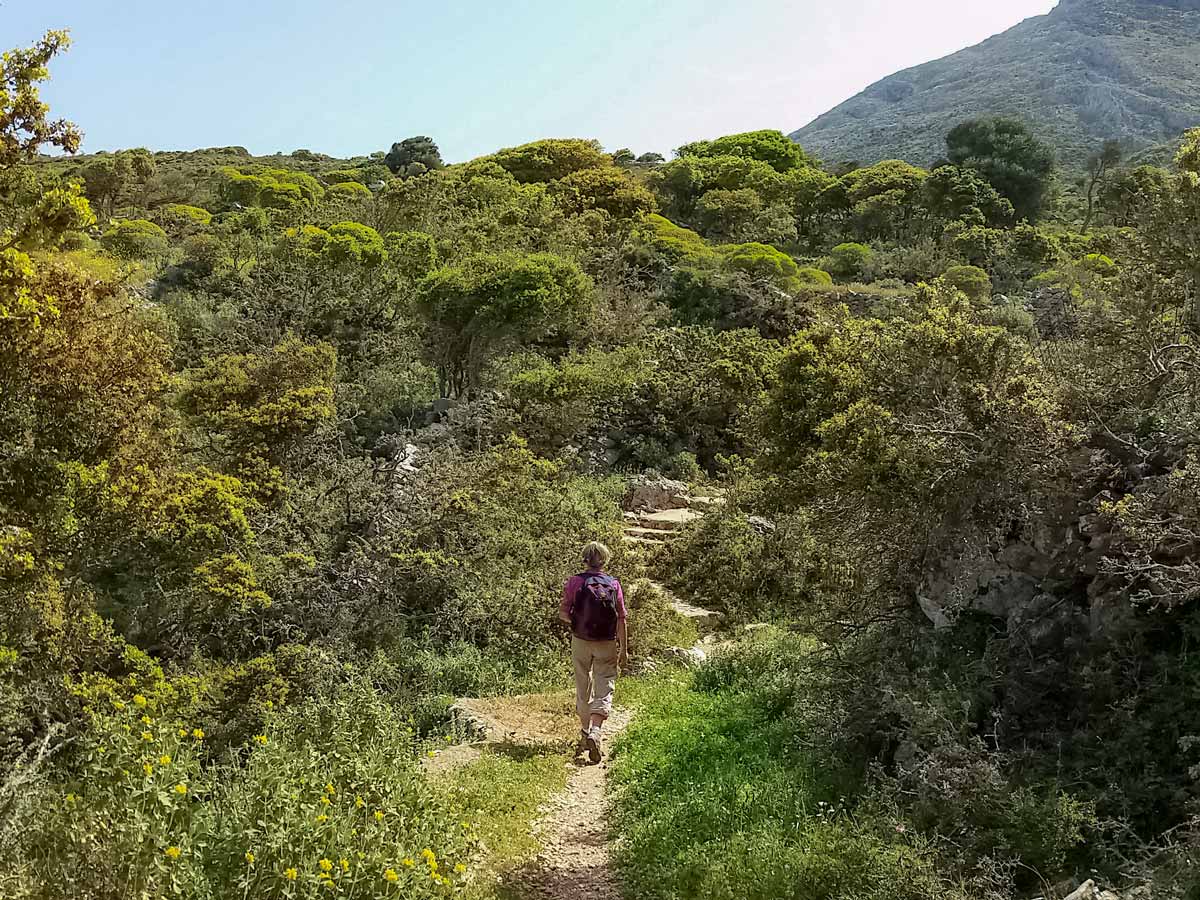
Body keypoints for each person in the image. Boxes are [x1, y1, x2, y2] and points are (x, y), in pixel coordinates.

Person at [559, 541, 628, 764]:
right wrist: (623, 649)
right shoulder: (614, 584)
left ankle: (585, 731)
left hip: (581, 640)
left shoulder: (575, 582)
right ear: (605, 561)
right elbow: (621, 618)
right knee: (604, 684)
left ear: (585, 559)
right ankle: (596, 731)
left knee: (583, 684)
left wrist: (578, 622)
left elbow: (563, 613)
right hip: (606, 642)